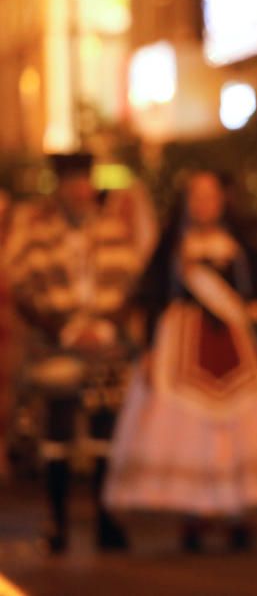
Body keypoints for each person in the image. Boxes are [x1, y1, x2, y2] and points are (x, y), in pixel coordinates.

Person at [103, 171, 257, 551]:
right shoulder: (173, 247)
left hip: (236, 344)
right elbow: (152, 295)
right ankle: (194, 513)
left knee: (240, 425)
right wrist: (149, 349)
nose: (204, 204)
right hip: (183, 343)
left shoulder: (240, 247)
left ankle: (237, 511)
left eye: (210, 196)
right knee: (188, 428)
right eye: (197, 197)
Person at [6, 152, 141, 553]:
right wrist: (64, 329)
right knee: (57, 433)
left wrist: (104, 326)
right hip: (56, 343)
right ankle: (57, 522)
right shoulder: (39, 231)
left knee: (104, 432)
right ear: (60, 187)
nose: (79, 189)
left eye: (84, 181)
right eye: (71, 182)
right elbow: (23, 289)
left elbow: (130, 283)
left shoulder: (111, 227)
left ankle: (105, 519)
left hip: (104, 343)